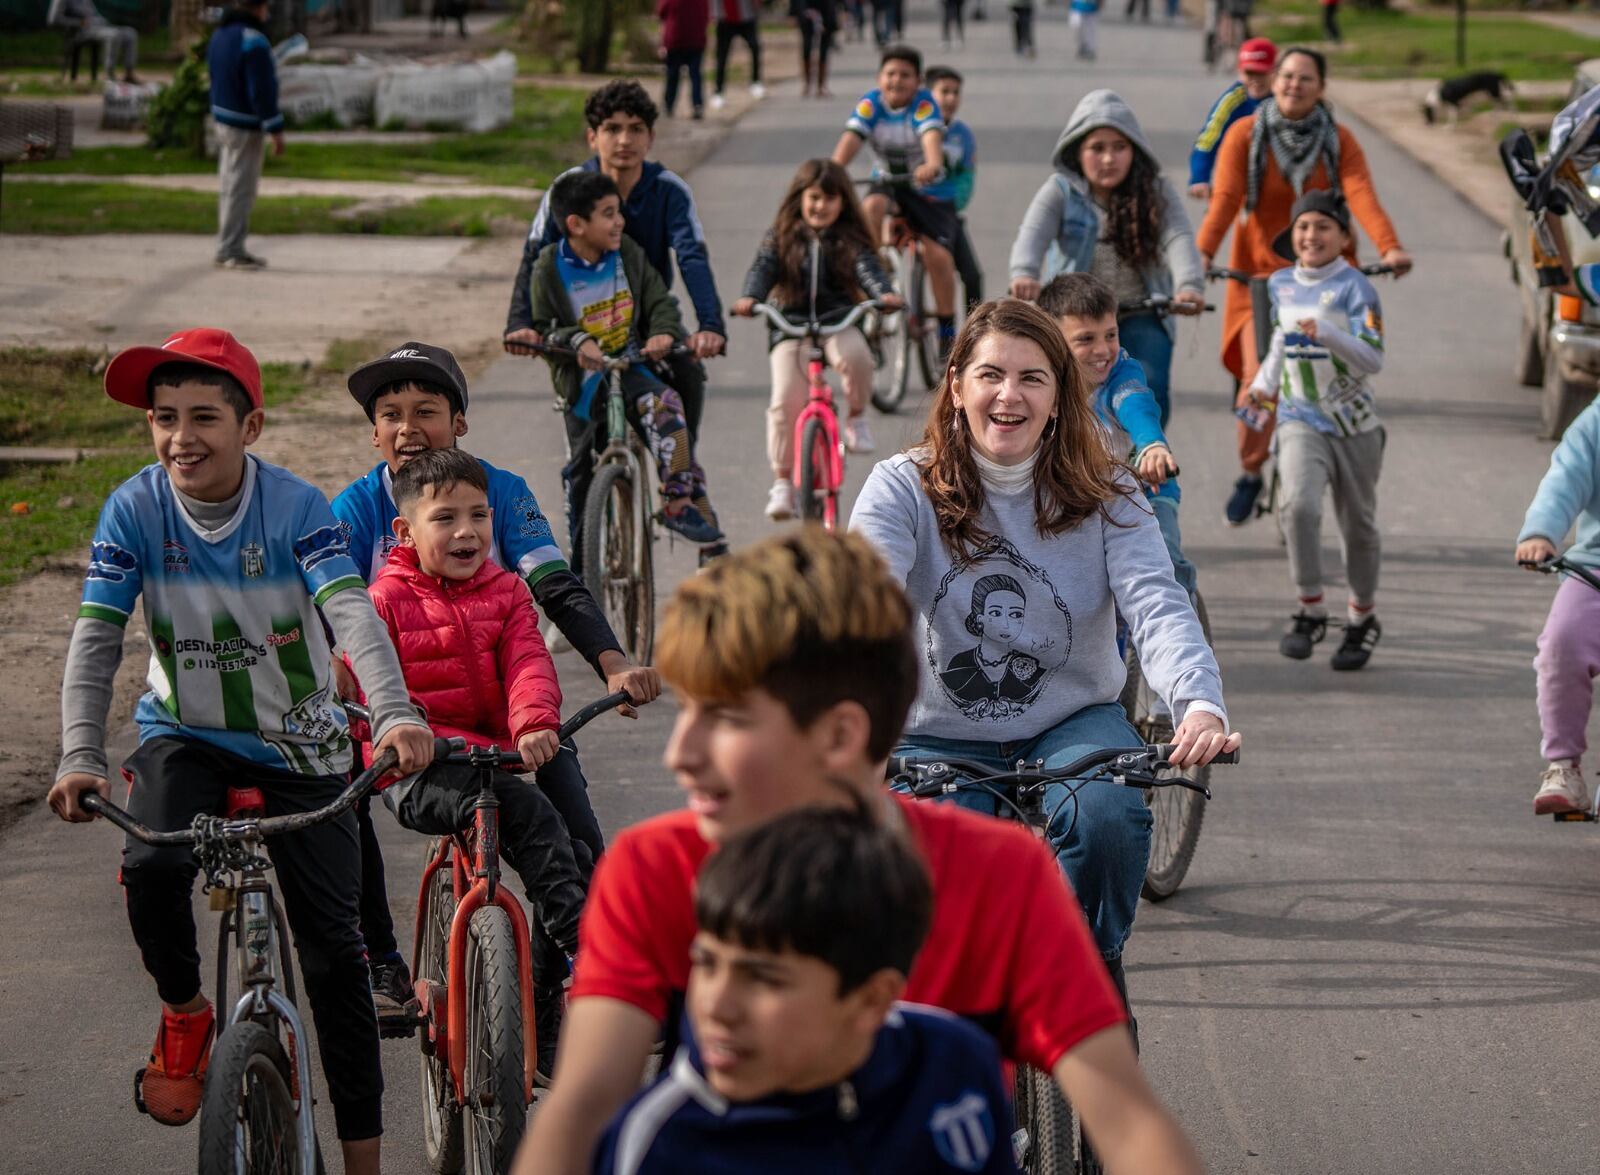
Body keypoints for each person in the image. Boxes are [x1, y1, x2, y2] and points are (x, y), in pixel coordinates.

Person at [513, 528, 1206, 1175]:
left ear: (842, 736)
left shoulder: (1000, 875)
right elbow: (581, 1108)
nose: (680, 754)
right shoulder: (655, 869)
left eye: (724, 719)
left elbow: (1127, 1119)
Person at [47, 328, 434, 1175]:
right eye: (164, 418)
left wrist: (394, 712)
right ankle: (186, 1009)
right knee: (151, 866)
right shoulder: (133, 509)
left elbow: (352, 613)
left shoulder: (296, 507)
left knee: (335, 960)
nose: (180, 437)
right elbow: (97, 637)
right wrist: (79, 753)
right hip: (184, 735)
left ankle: (364, 1162)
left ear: (249, 426)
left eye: (203, 418)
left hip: (302, 747)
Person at [850, 300, 1238, 997]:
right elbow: (862, 608)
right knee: (939, 896)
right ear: (957, 386)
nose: (1010, 395)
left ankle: (1089, 976)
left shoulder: (1110, 491)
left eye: (1032, 378)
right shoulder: (902, 486)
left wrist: (1199, 704)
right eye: (990, 375)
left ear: (1060, 396)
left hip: (1071, 722)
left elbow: (1156, 604)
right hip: (933, 734)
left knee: (1108, 819)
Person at [331, 340, 659, 1050]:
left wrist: (612, 663)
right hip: (405, 725)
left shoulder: (502, 494)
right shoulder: (353, 510)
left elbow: (552, 590)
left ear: (459, 423)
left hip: (512, 720)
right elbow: (328, 615)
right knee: (337, 792)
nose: (409, 428)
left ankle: (554, 987)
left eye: (427, 411)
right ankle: (381, 961)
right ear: (375, 433)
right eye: (392, 414)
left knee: (574, 834)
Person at [593, 806, 1020, 1174]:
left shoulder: (955, 1068)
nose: (716, 1006)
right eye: (705, 964)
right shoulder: (661, 1143)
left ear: (872, 999)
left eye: (764, 979)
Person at [355, 447, 597, 1081]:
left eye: (479, 516)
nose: (466, 532)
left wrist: (534, 722)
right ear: (405, 531)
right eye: (445, 518)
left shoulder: (508, 591)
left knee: (570, 851)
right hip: (418, 770)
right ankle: (588, 957)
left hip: (493, 756)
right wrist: (401, 736)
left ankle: (551, 995)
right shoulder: (382, 602)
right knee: (533, 817)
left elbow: (527, 663)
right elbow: (366, 687)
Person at [1196, 46, 1412, 525]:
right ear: (1274, 81)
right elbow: (1226, 198)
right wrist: (1202, 254)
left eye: (1306, 78)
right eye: (1287, 76)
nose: (1294, 85)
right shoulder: (1244, 134)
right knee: (1257, 378)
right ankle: (1251, 470)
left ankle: (1346, 457)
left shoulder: (1338, 139)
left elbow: (1359, 192)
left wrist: (1390, 246)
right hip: (1260, 277)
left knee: (1338, 372)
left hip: (1329, 278)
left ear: (1322, 88)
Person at [506, 81, 724, 448]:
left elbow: (691, 257)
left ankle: (680, 473)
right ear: (593, 137)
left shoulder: (669, 190)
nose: (625, 140)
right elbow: (534, 254)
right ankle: (587, 478)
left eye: (636, 129)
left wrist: (710, 325)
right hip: (579, 326)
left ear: (651, 138)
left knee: (687, 374)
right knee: (584, 446)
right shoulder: (569, 188)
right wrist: (520, 323)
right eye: (612, 129)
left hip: (645, 323)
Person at [528, 170, 724, 554]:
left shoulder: (627, 255)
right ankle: (582, 568)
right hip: (583, 383)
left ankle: (679, 501)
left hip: (629, 367)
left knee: (666, 406)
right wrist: (577, 341)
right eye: (608, 214)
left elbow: (659, 300)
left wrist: (663, 332)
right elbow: (542, 327)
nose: (620, 221)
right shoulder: (548, 267)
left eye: (618, 211)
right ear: (576, 225)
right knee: (581, 473)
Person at [1243, 191, 1387, 668]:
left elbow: (1372, 358)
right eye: (1303, 226)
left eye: (1324, 226)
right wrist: (1261, 387)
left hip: (1354, 424)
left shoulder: (1356, 288)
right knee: (1298, 507)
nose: (1311, 236)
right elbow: (1279, 343)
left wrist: (1327, 333)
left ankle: (1361, 617)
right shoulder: (1280, 284)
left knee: (1358, 526)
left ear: (1344, 236)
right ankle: (1310, 608)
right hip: (1299, 418)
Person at [1008, 89, 1206, 428]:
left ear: (1134, 150)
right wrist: (1024, 273)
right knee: (1065, 393)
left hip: (1142, 311)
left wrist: (1189, 285)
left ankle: (1146, 453)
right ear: (1077, 151)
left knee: (1149, 389)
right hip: (1077, 317)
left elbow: (1178, 237)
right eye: (1097, 148)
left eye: (1119, 147)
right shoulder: (1060, 190)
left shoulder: (1155, 190)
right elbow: (1033, 234)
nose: (1109, 159)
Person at [731, 158, 899, 521]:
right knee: (784, 401)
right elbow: (763, 268)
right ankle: (782, 482)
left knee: (857, 358)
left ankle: (856, 417)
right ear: (800, 198)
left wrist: (882, 293)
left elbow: (868, 269)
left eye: (829, 199)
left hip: (838, 321)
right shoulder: (781, 235)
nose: (820, 206)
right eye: (814, 198)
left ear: (843, 203)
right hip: (790, 326)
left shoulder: (850, 239)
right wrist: (750, 296)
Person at [1039, 273, 1195, 600]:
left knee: (1163, 562)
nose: (1103, 350)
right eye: (1086, 339)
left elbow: (1135, 404)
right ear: (1052, 342)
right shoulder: (1041, 383)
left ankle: (1186, 615)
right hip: (1077, 497)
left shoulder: (1121, 374)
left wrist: (1152, 445)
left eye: (1111, 335)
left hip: (1145, 490)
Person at [832, 45, 961, 359]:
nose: (897, 81)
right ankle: (877, 266)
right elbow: (850, 141)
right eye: (890, 74)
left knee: (938, 256)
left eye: (905, 75)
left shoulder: (923, 104)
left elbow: (931, 138)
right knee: (870, 208)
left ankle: (947, 333)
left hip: (922, 187)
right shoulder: (870, 104)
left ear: (918, 81)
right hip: (887, 182)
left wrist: (932, 164)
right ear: (879, 78)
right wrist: (832, 172)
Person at [1516, 399, 1600, 815]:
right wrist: (1541, 532)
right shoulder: (1596, 422)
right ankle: (1564, 767)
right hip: (1596, 567)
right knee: (1561, 644)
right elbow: (1565, 478)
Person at [207, 0, 283, 271]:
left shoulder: (220, 35)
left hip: (222, 118)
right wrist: (274, 127)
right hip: (244, 124)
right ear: (258, 8)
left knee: (228, 185)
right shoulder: (254, 41)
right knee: (242, 189)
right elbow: (261, 90)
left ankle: (227, 246)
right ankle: (231, 249)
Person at [1188, 37, 1276, 201]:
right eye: (1250, 73)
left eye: (1262, 73)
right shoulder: (1232, 100)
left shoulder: (1284, 98)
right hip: (1238, 175)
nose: (1256, 80)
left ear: (1274, 72)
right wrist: (1200, 177)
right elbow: (1208, 139)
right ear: (1239, 71)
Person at [926, 65, 983, 315]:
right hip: (912, 211)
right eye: (944, 91)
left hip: (945, 211)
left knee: (973, 276)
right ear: (927, 94)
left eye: (955, 92)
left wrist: (951, 201)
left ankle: (975, 331)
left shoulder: (963, 135)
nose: (950, 98)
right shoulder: (911, 128)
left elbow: (966, 178)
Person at [57, 0, 139, 82]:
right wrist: (79, 23)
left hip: (102, 26)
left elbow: (95, 14)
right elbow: (58, 19)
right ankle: (109, 73)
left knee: (130, 33)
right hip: (84, 31)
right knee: (113, 35)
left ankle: (129, 73)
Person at [658, 0, 708, 120]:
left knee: (673, 74)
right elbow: (707, 15)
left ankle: (669, 105)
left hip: (676, 38)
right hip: (696, 39)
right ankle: (697, 105)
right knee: (695, 75)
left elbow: (661, 12)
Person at [711, 0, 765, 110]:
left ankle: (756, 82)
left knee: (755, 47)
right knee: (722, 56)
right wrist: (715, 14)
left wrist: (756, 9)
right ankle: (718, 92)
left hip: (746, 17)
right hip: (725, 19)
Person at [793, 0, 839, 98]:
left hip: (826, 14)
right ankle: (807, 84)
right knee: (806, 49)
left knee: (823, 51)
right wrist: (792, 13)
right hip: (806, 13)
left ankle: (821, 86)